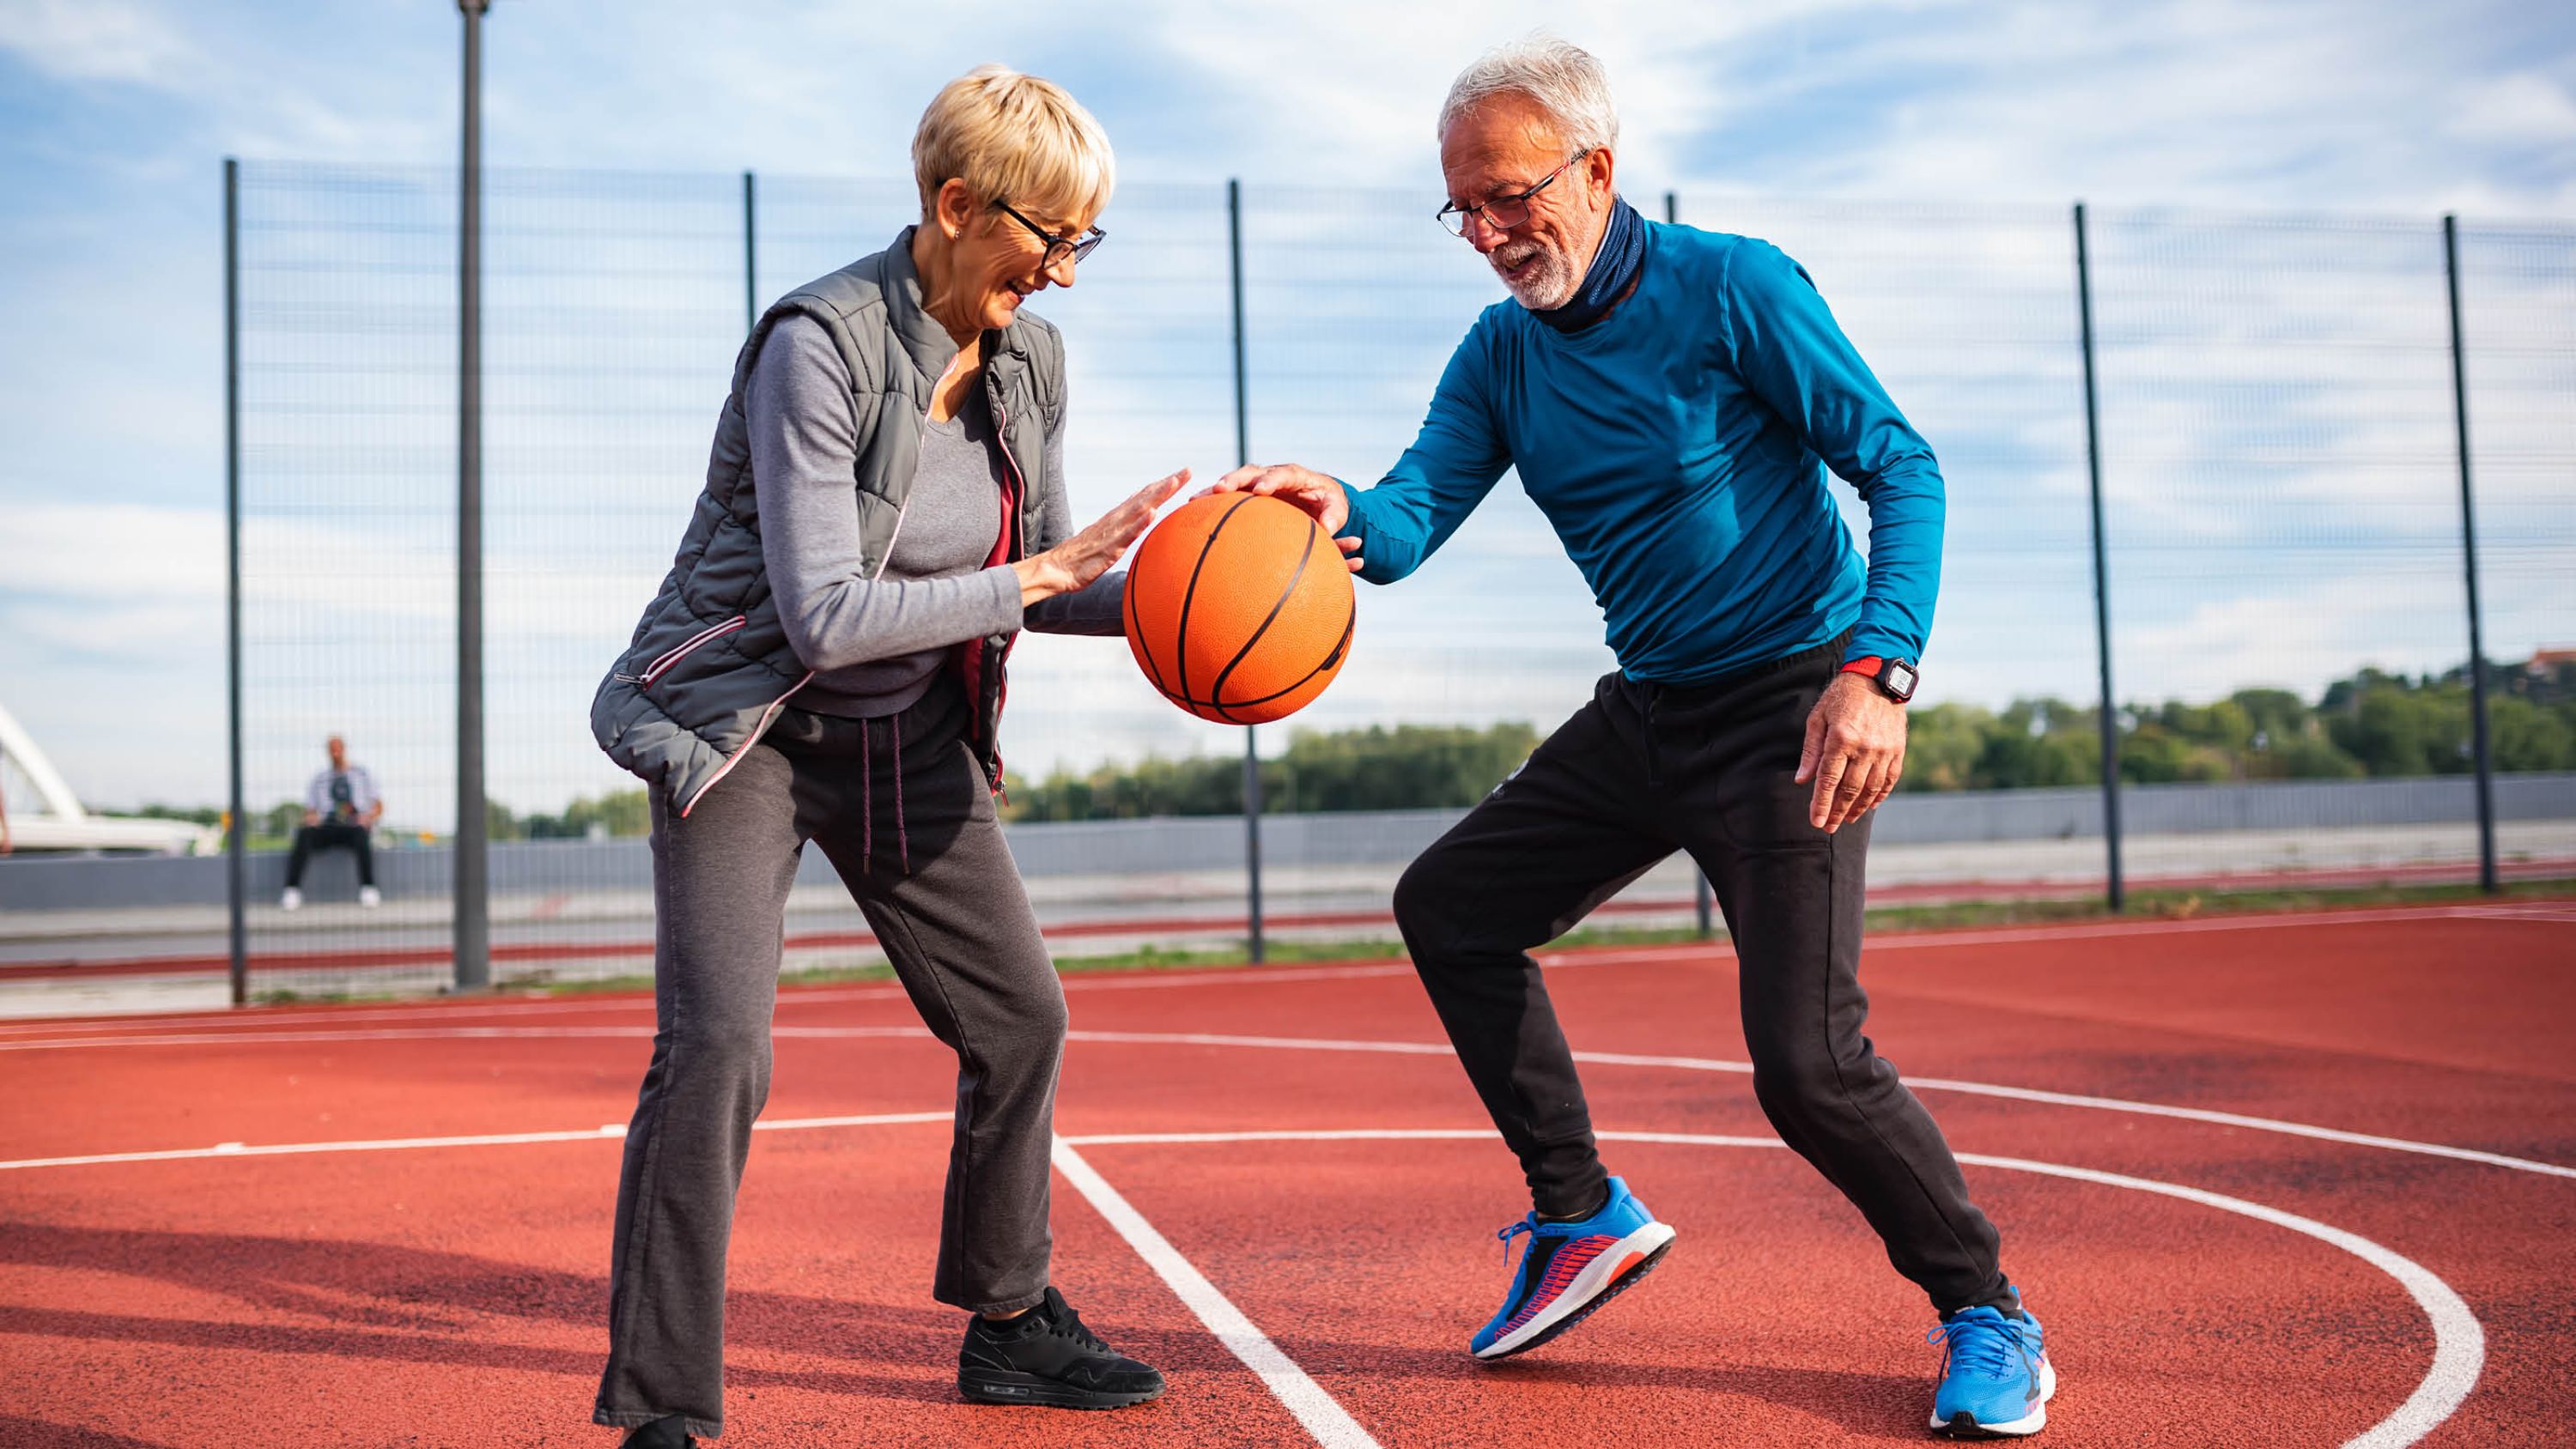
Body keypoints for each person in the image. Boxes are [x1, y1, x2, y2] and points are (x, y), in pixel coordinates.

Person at [1208, 36, 2055, 1440]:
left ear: (1597, 170)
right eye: (1460, 210)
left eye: (1507, 197)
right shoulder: (1500, 354)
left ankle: (1986, 1306)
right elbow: (1413, 513)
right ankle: (1580, 1209)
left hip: (1794, 708)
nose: (1484, 234)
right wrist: (1335, 506)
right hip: (1650, 707)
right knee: (1450, 906)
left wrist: (1879, 672)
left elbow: (1900, 462)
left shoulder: (1737, 287)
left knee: (1808, 1063)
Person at [586, 66, 1181, 1446]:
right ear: (958, 205)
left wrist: (1192, 595)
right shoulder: (820, 345)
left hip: (910, 734)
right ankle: (663, 1410)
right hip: (750, 726)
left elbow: (1046, 577)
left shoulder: (1028, 355)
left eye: (1088, 241)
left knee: (1021, 1017)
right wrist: (1045, 576)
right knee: (719, 1052)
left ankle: (1011, 1322)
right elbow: (827, 614)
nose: (1069, 275)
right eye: (1052, 239)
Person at [281, 734, 381, 909]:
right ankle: (292, 890)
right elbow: (310, 810)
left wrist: (368, 817)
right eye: (331, 749)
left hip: (353, 826)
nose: (335, 753)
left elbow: (378, 805)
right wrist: (311, 819)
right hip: (327, 826)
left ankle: (368, 888)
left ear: (344, 749)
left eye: (338, 749)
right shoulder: (320, 778)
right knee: (304, 834)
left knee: (362, 834)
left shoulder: (362, 774)